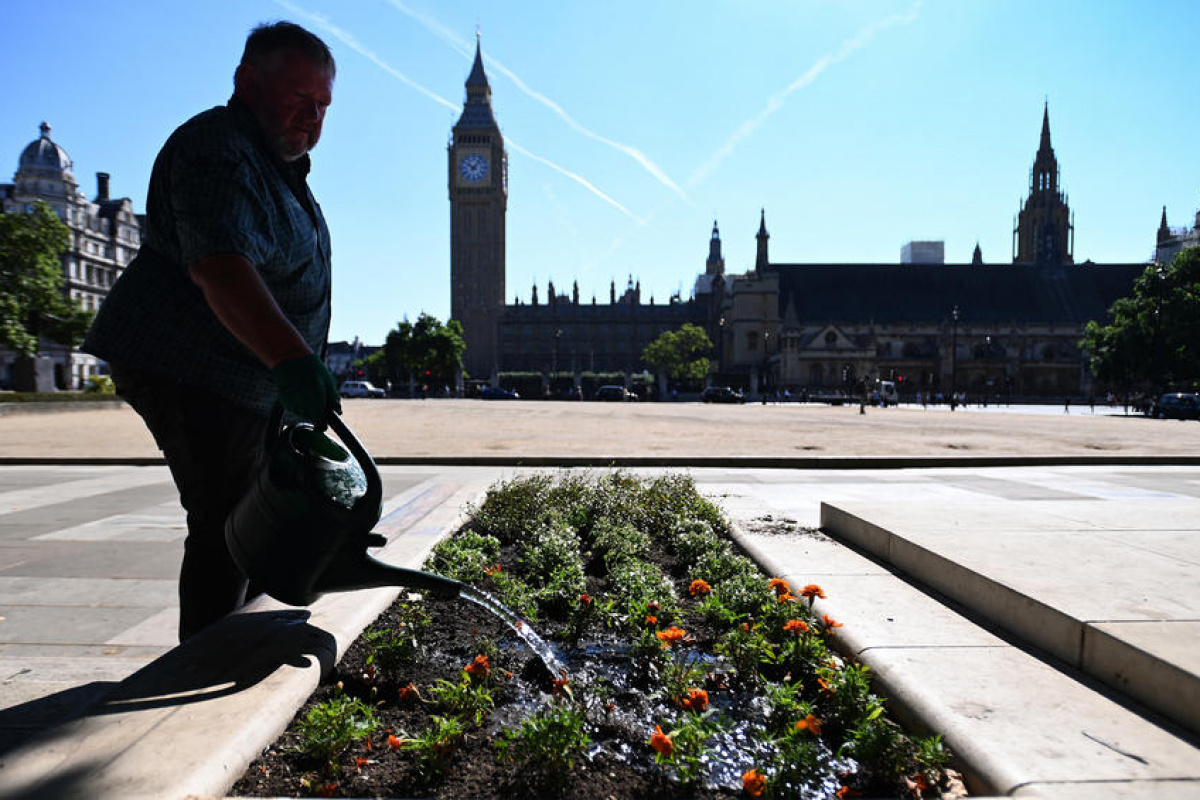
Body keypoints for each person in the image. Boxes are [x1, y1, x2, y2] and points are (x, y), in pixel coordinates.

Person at [84, 21, 341, 642]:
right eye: (299, 97)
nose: (312, 116)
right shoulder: (217, 148)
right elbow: (220, 266)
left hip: (249, 380)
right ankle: (205, 664)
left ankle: (239, 638)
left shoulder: (277, 165)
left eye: (323, 105)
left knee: (256, 516)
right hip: (195, 367)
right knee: (230, 521)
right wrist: (291, 361)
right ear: (248, 81)